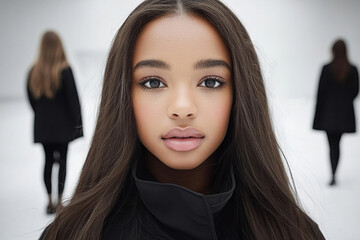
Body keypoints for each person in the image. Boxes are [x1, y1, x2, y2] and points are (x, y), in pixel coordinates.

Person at [40, 1, 325, 239]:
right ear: (124, 95)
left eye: (211, 82)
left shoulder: (295, 233)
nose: (182, 109)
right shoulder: (73, 234)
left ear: (240, 95)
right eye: (153, 82)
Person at [27, 31, 83, 214]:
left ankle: (49, 200)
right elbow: (73, 101)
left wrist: (42, 115)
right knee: (62, 161)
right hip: (63, 127)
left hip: (43, 127)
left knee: (48, 161)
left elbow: (32, 99)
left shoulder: (34, 72)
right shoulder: (65, 70)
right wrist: (78, 125)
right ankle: (59, 201)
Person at [313, 39, 359, 186]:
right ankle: (334, 172)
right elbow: (355, 92)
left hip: (328, 115)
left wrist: (319, 115)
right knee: (337, 144)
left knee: (331, 145)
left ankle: (333, 173)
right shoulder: (352, 70)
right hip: (344, 116)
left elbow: (320, 94)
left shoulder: (326, 69)